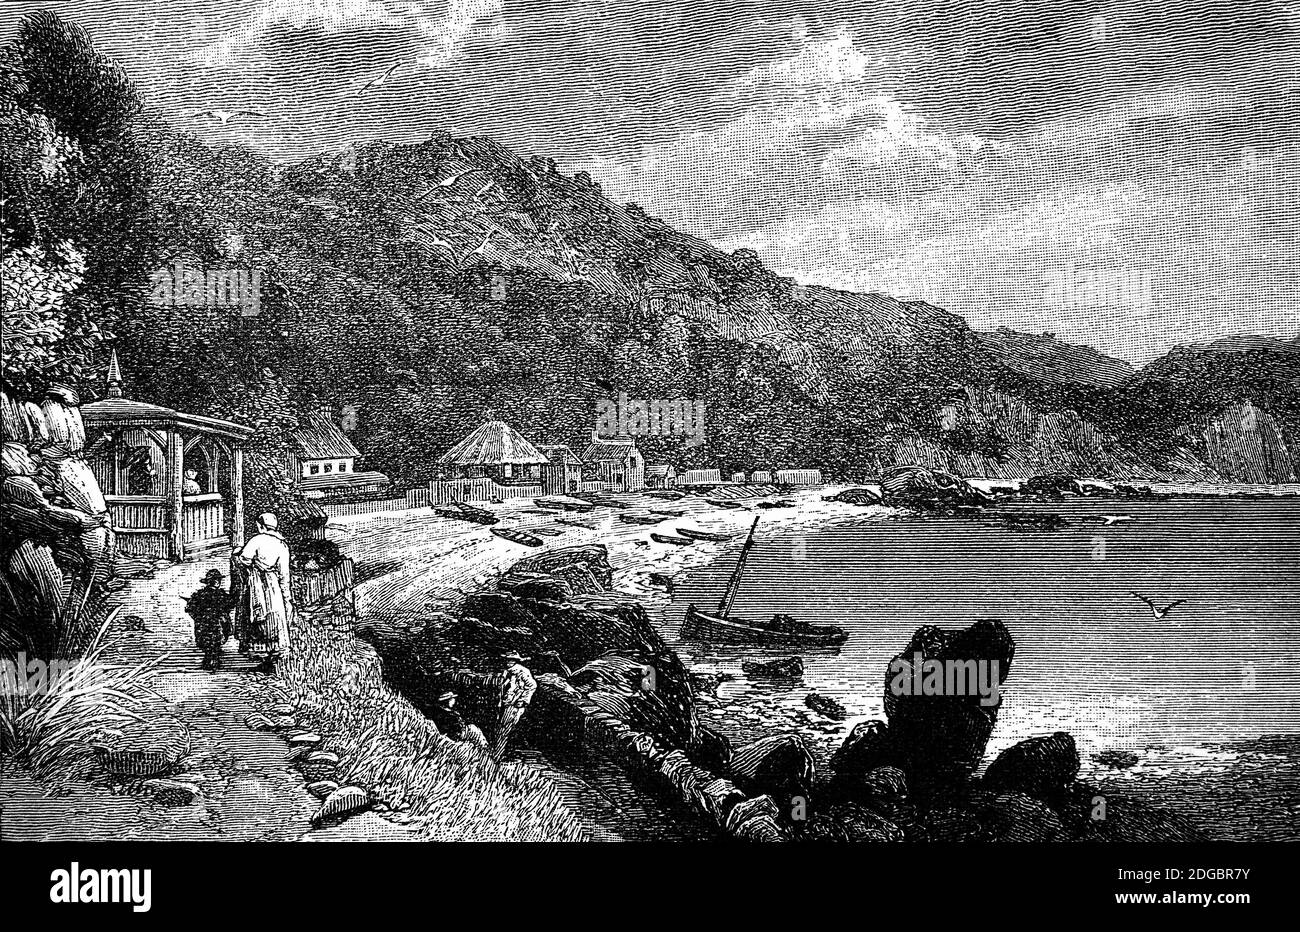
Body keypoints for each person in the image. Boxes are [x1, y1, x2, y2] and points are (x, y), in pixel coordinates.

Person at [232, 512, 293, 671]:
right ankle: (272, 657)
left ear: (261, 526)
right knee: (273, 614)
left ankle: (262, 657)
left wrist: (236, 554)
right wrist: (287, 597)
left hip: (257, 582)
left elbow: (244, 559)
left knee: (256, 615)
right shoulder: (282, 545)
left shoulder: (257, 540)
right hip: (273, 586)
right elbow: (284, 575)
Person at [184, 568, 234, 670]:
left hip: (205, 625)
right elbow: (229, 605)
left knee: (209, 643)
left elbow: (190, 608)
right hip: (214, 624)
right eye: (217, 580)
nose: (218, 582)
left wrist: (198, 618)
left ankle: (209, 659)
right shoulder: (218, 594)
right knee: (215, 642)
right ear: (212, 582)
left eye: (219, 580)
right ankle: (213, 660)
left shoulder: (200, 594)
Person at [492, 651, 536, 759]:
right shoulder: (506, 672)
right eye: (507, 659)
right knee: (501, 728)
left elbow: (532, 685)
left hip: (514, 705)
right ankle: (498, 753)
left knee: (505, 728)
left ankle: (497, 755)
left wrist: (523, 700)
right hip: (505, 703)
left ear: (515, 661)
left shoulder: (522, 671)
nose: (508, 661)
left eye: (510, 659)